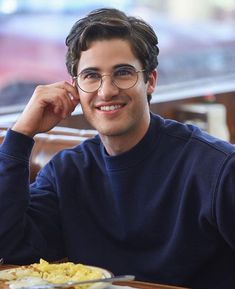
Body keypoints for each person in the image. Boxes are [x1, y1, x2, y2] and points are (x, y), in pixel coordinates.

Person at [0, 8, 235, 289]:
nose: (106, 90)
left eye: (123, 73)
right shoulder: (67, 172)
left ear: (150, 81)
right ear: (75, 88)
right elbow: (9, 245)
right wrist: (20, 134)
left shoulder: (218, 169)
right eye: (91, 76)